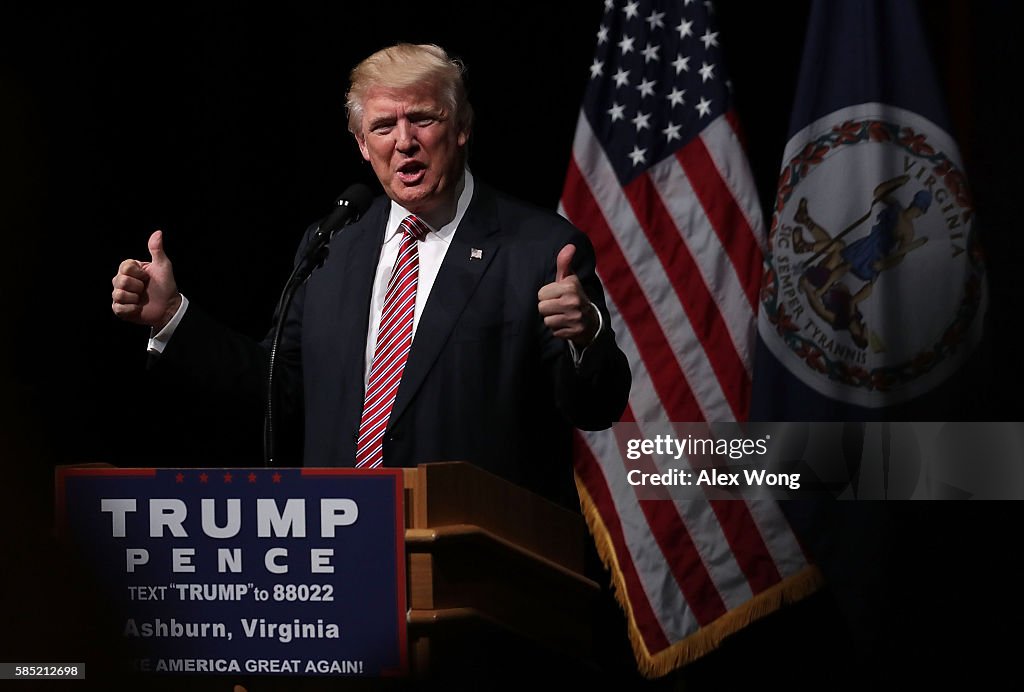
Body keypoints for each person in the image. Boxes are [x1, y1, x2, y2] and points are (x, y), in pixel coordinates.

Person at [110, 42, 631, 507]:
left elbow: (595, 406)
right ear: (362, 144)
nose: (404, 141)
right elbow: (278, 390)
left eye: (423, 119)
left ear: (462, 126)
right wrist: (175, 319)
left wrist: (586, 338)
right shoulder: (331, 245)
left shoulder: (539, 249)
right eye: (383, 126)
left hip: (479, 557)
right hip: (343, 547)